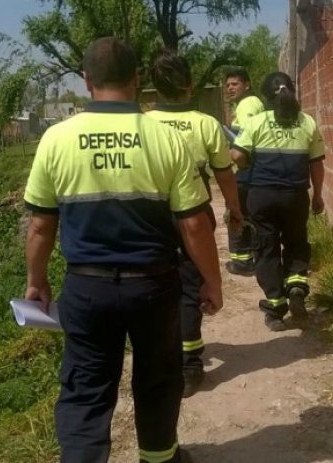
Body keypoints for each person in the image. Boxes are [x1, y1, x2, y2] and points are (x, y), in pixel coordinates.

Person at [23, 37, 223, 463]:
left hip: (86, 289)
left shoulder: (56, 139)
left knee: (86, 390)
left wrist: (36, 281)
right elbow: (193, 224)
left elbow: (41, 225)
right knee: (157, 379)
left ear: (85, 81)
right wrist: (211, 280)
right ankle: (160, 458)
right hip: (152, 287)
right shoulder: (166, 138)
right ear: (137, 80)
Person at [145, 49, 243, 398]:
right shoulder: (206, 124)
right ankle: (189, 363)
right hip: (195, 213)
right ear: (189, 84)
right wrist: (235, 210)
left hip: (151, 216)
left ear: (153, 86)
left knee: (155, 283)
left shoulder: (143, 123)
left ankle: (163, 355)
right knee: (190, 286)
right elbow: (224, 176)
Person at [230, 72, 325, 332]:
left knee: (266, 247)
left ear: (264, 96)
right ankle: (296, 286)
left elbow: (237, 155)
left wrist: (244, 158)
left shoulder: (257, 121)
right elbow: (316, 164)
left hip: (262, 196)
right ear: (291, 90)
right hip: (295, 196)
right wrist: (317, 195)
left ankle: (275, 307)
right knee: (296, 241)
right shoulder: (307, 122)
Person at [223, 68, 264, 277]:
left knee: (237, 213)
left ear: (247, 85)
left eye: (235, 84)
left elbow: (246, 137)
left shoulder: (248, 105)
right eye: (228, 85)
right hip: (253, 169)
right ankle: (253, 258)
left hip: (246, 169)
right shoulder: (248, 104)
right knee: (250, 214)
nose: (230, 88)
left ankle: (242, 261)